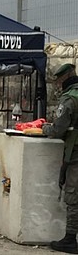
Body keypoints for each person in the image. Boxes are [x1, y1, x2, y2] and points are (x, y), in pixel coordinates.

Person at [43, 63, 78, 253]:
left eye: (57, 81)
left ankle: (70, 239)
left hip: (76, 154)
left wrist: (45, 128)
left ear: (63, 79)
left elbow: (58, 130)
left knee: (73, 196)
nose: (56, 85)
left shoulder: (69, 99)